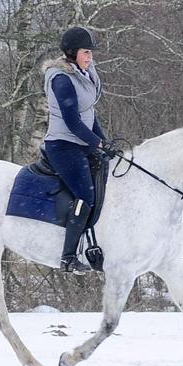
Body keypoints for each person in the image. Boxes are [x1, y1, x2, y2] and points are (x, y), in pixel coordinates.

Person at [42, 26, 117, 273]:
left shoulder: (85, 73)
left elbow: (88, 113)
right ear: (73, 53)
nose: (90, 57)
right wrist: (96, 142)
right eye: (86, 52)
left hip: (83, 141)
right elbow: (73, 121)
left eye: (91, 53)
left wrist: (103, 141)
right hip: (63, 146)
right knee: (85, 194)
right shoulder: (62, 79)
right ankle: (68, 257)